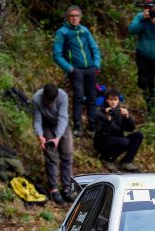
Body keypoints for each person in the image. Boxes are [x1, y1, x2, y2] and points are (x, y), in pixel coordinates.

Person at [53, 5, 102, 137]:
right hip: (76, 69)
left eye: (77, 16)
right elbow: (57, 55)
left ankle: (92, 127)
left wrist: (97, 64)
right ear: (68, 18)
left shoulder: (84, 30)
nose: (74, 18)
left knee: (92, 97)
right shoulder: (62, 32)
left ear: (80, 18)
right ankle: (77, 126)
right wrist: (70, 68)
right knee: (79, 97)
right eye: (72, 16)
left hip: (90, 68)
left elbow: (94, 48)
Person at [32, 83, 76, 205]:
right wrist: (40, 136)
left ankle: (67, 188)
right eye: (47, 101)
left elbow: (63, 118)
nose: (49, 104)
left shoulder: (63, 96)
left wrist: (57, 138)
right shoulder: (36, 98)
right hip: (47, 125)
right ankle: (54, 189)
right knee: (51, 157)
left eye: (51, 101)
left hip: (62, 125)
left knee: (67, 155)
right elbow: (37, 119)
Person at [128, 2, 155, 114]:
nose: (149, 9)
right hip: (144, 58)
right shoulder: (140, 16)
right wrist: (142, 20)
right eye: (146, 6)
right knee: (146, 85)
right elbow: (132, 30)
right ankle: (151, 111)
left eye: (151, 6)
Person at [93, 89, 143, 172]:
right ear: (106, 100)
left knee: (138, 135)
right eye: (111, 99)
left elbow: (131, 129)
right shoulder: (100, 112)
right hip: (103, 142)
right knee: (123, 141)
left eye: (115, 100)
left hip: (119, 139)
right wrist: (108, 120)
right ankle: (107, 159)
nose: (113, 102)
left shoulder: (120, 112)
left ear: (118, 100)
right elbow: (101, 133)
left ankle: (126, 161)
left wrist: (127, 117)